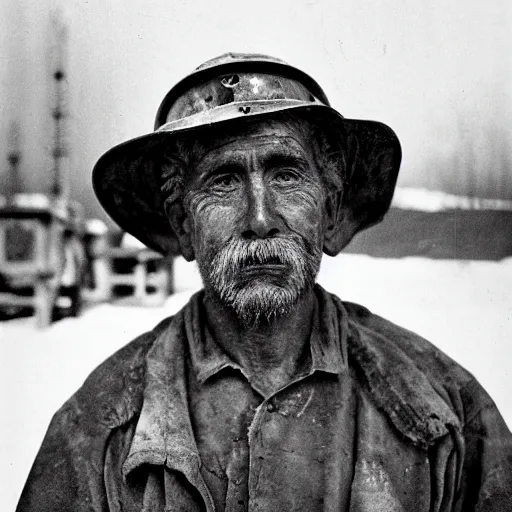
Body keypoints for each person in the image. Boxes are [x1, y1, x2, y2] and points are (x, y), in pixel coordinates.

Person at [17, 53, 512, 512]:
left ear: (331, 211)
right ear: (183, 224)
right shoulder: (98, 425)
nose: (260, 218)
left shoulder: (441, 408)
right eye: (223, 181)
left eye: (286, 175)